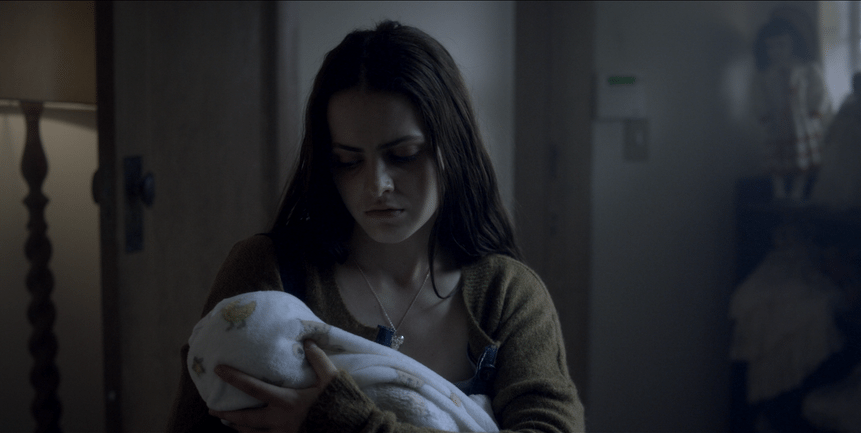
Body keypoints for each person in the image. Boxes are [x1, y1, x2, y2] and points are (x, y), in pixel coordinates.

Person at [167, 20, 585, 433]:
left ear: (452, 148)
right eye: (348, 161)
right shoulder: (269, 272)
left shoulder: (507, 295)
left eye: (403, 155)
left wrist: (349, 424)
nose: (376, 185)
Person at [752, 17, 832, 202]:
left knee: (802, 159)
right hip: (777, 122)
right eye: (771, 47)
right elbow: (758, 97)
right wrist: (763, 115)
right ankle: (779, 191)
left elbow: (819, 91)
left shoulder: (806, 69)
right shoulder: (765, 74)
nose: (776, 51)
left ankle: (797, 190)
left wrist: (816, 111)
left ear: (793, 44)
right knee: (777, 158)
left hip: (802, 121)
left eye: (782, 45)